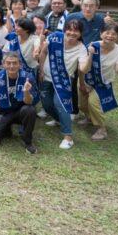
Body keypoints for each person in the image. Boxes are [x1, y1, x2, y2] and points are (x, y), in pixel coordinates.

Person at [39, 20, 90, 150]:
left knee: (60, 104)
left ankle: (68, 137)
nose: (72, 33)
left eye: (76, 31)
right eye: (69, 29)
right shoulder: (54, 37)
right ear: (64, 30)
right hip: (47, 77)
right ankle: (58, 120)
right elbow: (44, 52)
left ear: (80, 33)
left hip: (63, 81)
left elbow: (83, 68)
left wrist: (90, 57)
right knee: (46, 104)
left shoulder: (82, 48)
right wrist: (40, 70)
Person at [79, 23, 118, 141]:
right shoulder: (92, 46)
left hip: (103, 83)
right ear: (101, 34)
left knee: (93, 103)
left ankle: (102, 129)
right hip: (88, 79)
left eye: (114, 34)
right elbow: (83, 69)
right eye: (107, 33)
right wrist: (90, 54)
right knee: (82, 103)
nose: (110, 36)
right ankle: (89, 117)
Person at [0, 52, 39, 154]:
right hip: (4, 112)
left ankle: (28, 142)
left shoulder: (28, 77)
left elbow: (29, 102)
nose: (11, 66)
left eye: (14, 63)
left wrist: (26, 91)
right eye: (8, 63)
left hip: (20, 111)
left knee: (30, 110)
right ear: (3, 64)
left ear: (20, 65)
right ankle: (6, 128)